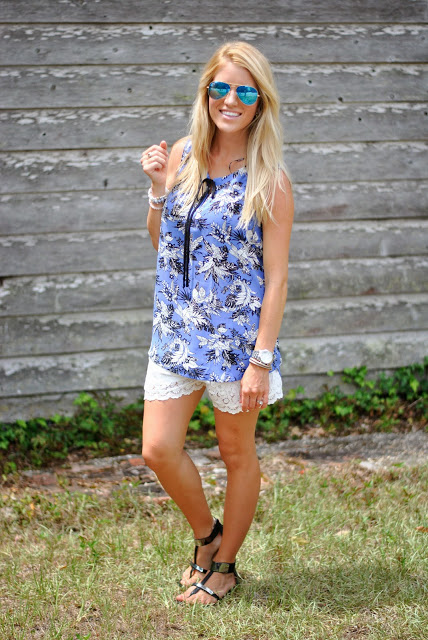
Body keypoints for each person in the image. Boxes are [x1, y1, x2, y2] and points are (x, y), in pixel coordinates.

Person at [140, 41, 294, 605]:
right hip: (175, 334)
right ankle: (207, 537)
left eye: (245, 91)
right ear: (206, 92)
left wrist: (261, 361)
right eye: (221, 88)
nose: (231, 100)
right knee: (157, 448)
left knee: (236, 454)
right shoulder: (183, 154)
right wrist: (158, 190)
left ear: (260, 102)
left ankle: (224, 568)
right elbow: (163, 245)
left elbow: (277, 279)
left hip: (236, 343)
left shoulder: (270, 179)